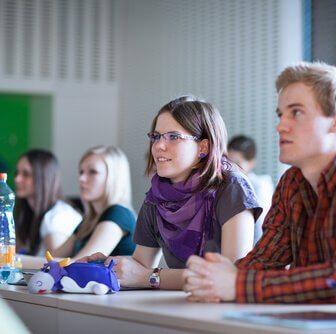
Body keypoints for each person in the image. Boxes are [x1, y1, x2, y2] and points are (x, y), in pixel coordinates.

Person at [183, 62, 336, 304]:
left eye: (296, 112)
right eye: (280, 114)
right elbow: (264, 261)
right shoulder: (292, 182)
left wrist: (237, 283)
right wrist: (214, 277)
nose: (280, 125)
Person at [82, 97, 262, 290]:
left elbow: (231, 275)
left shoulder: (232, 187)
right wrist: (108, 267)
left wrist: (150, 277)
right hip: (182, 306)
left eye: (173, 137)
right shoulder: (156, 196)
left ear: (203, 147)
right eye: (156, 136)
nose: (159, 145)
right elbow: (142, 266)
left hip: (229, 310)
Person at [21, 145, 136, 268]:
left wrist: (15, 260)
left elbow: (80, 264)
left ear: (114, 177)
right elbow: (52, 258)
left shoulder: (118, 214)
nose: (81, 178)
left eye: (93, 172)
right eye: (81, 172)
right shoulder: (88, 222)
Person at [14, 149, 82, 256]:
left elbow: (55, 265)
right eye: (17, 173)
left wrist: (16, 259)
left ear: (43, 177)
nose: (17, 179)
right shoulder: (28, 214)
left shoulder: (56, 217)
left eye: (26, 174)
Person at [228, 135, 274, 243]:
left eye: (237, 163)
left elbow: (262, 228)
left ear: (251, 163)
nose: (231, 167)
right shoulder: (226, 184)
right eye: (228, 161)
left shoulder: (261, 186)